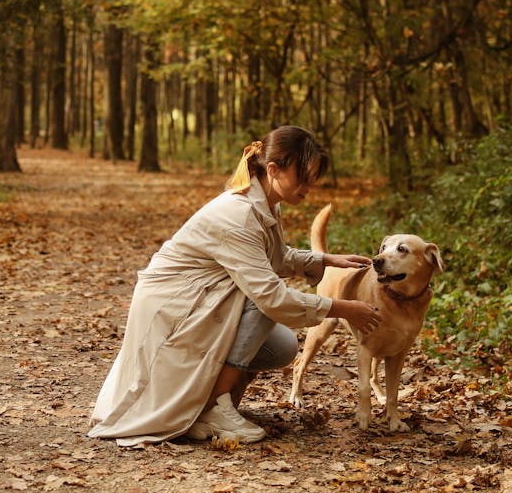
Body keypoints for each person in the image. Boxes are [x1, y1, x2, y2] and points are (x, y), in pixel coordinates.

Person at [88, 125, 382, 446]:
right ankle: (214, 406)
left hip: (202, 298)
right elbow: (271, 296)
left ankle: (212, 404)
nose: (308, 187)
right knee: (264, 301)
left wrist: (325, 260)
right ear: (273, 169)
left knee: (281, 346)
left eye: (313, 179)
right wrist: (344, 309)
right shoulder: (239, 214)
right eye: (303, 178)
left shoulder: (266, 202)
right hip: (174, 306)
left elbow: (274, 257)